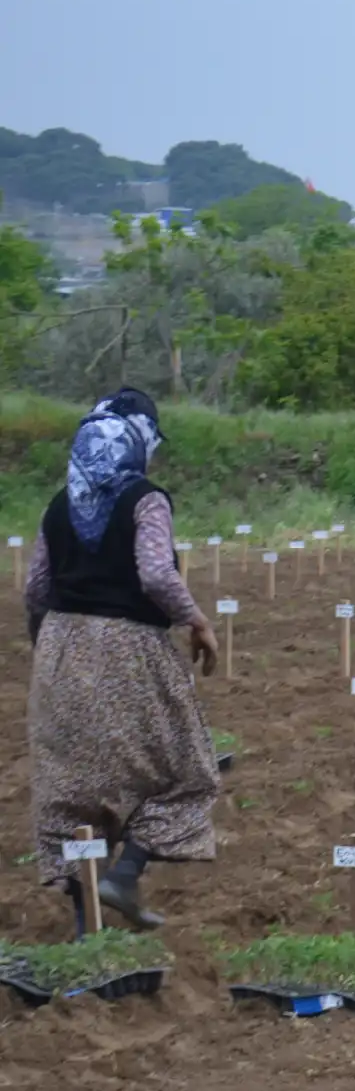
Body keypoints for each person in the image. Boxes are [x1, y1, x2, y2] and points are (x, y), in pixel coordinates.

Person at [24, 388, 220, 934]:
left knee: (73, 793)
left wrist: (48, 649)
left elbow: (36, 588)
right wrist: (197, 620)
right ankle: (126, 875)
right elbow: (155, 574)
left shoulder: (60, 505)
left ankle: (88, 928)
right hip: (127, 647)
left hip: (60, 646)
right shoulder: (145, 500)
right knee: (184, 769)